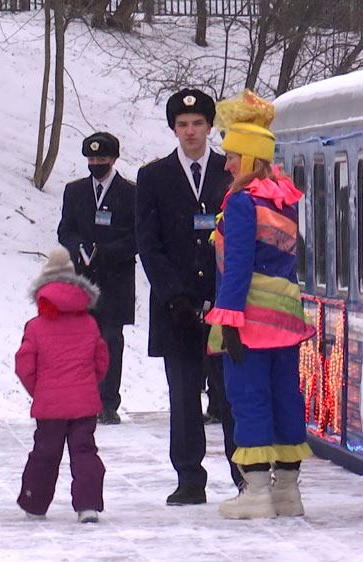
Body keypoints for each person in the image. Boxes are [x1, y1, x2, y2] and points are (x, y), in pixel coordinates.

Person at [204, 90, 315, 519]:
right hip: (286, 320)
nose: (227, 163)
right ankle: (287, 490)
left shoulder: (241, 201)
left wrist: (228, 319)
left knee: (248, 399)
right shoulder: (283, 200)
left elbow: (237, 266)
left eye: (233, 156)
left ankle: (255, 493)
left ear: (250, 158)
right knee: (286, 396)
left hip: (249, 320)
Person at [135, 88, 242, 505]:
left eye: (198, 124)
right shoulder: (155, 176)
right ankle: (189, 478)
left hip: (223, 304)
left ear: (210, 126)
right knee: (182, 397)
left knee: (230, 395)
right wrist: (173, 296)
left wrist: (225, 296)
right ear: (173, 128)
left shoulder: (228, 169)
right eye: (182, 125)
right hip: (175, 308)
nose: (191, 131)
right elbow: (149, 242)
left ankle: (243, 474)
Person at [15, 247, 109, 523]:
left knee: (44, 453)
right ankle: (88, 505)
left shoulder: (35, 326)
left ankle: (35, 503)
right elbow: (101, 360)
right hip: (83, 403)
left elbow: (24, 366)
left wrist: (41, 390)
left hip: (50, 405)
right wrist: (87, 384)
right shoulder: (90, 324)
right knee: (84, 452)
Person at [57, 132, 136, 425]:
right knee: (82, 341)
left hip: (116, 279)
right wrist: (79, 247)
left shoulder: (130, 192)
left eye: (101, 159)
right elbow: (65, 229)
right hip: (83, 279)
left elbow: (138, 235)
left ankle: (107, 402)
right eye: (91, 159)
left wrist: (109, 252)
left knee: (111, 340)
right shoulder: (75, 191)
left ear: (113, 159)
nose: (95, 164)